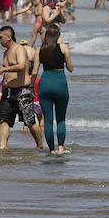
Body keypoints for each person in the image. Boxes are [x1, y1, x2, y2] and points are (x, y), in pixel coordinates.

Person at [36, 24, 72, 155]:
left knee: (48, 120)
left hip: (44, 83)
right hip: (60, 83)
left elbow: (34, 71)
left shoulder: (40, 49)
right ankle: (61, 148)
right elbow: (70, 68)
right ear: (58, 35)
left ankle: (51, 150)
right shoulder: (63, 48)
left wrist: (30, 88)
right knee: (61, 119)